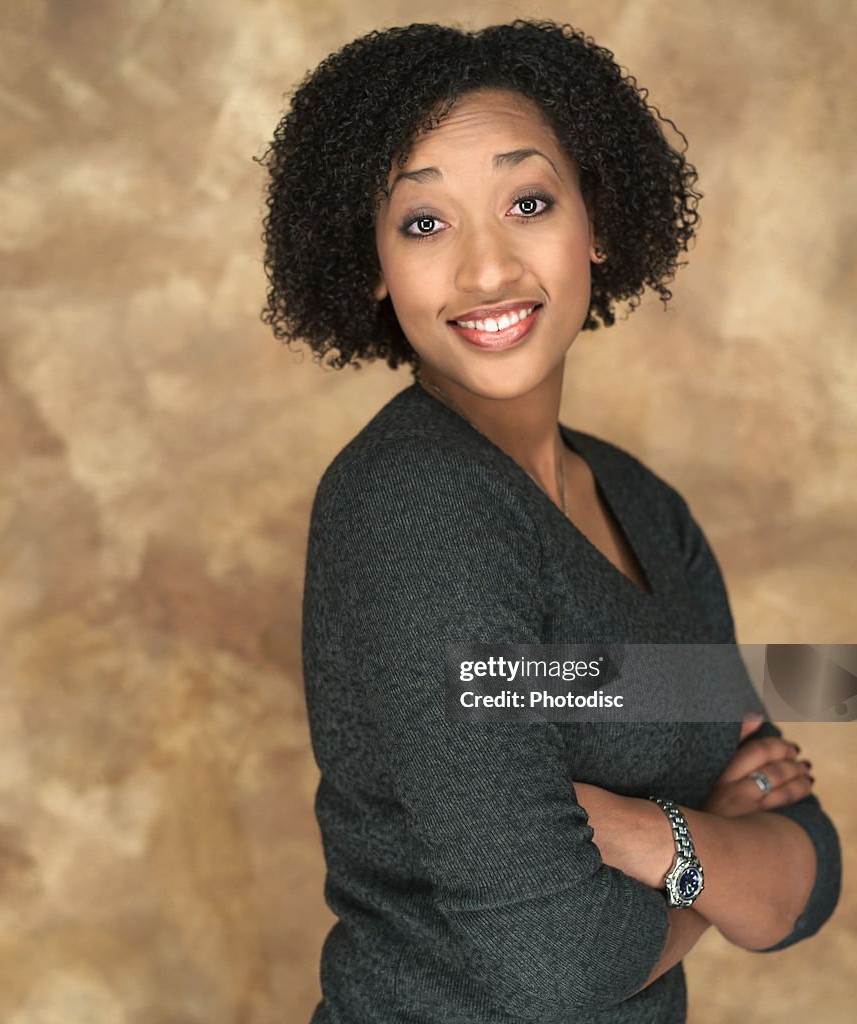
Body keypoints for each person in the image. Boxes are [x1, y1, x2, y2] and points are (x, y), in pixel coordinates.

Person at [260, 19, 841, 1023]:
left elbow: (810, 867)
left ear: (598, 222)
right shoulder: (418, 508)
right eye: (424, 223)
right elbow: (551, 967)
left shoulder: (647, 509)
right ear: (371, 264)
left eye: (527, 203)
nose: (485, 269)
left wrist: (634, 833)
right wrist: (709, 852)